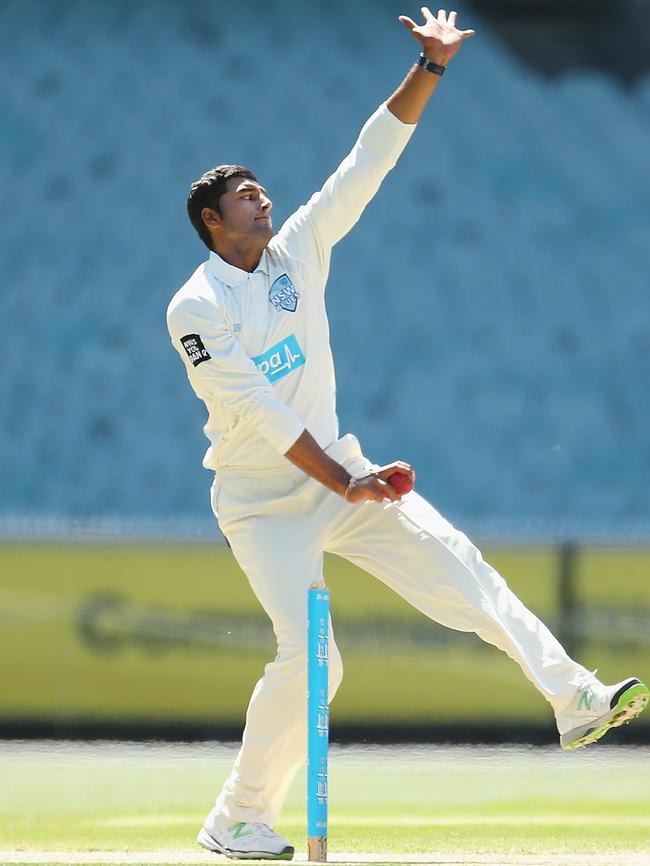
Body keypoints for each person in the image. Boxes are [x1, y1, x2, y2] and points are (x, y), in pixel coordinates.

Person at [167, 8, 649, 861]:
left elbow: (366, 163)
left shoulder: (299, 251)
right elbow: (262, 415)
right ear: (213, 220)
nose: (265, 198)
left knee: (464, 569)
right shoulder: (195, 307)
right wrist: (343, 481)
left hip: (343, 475)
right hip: (264, 502)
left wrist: (430, 68)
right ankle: (236, 817)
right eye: (246, 197)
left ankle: (575, 699)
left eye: (262, 189)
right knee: (315, 662)